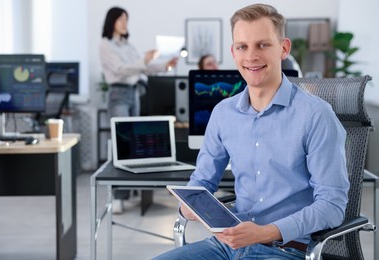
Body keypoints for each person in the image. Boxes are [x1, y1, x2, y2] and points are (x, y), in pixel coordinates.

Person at [154, 3, 349, 260]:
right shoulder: (223, 113)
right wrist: (187, 207)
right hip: (227, 245)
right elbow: (202, 181)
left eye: (263, 45)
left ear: (283, 48)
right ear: (233, 52)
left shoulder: (315, 115)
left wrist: (265, 232)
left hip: (287, 249)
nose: (251, 56)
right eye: (242, 46)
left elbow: (332, 206)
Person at [99, 6, 178, 213]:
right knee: (121, 145)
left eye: (126, 19)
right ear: (112, 21)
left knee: (133, 148)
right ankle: (117, 196)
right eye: (121, 19)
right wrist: (144, 59)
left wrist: (164, 65)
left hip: (134, 93)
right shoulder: (106, 45)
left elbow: (142, 68)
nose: (125, 23)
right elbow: (120, 69)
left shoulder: (128, 46)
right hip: (118, 93)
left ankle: (126, 192)